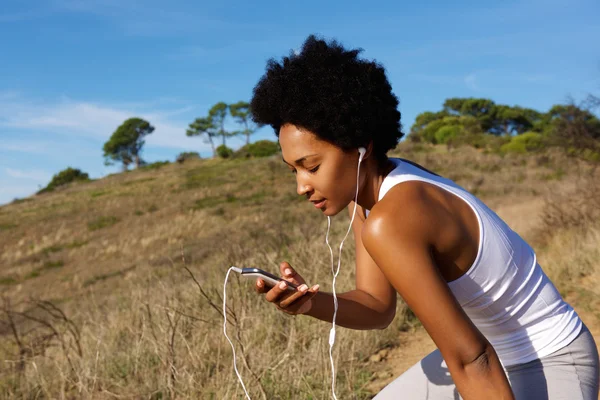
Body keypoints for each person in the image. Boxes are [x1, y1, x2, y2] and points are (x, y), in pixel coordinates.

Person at [248, 34, 600, 399]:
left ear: (361, 147)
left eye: (312, 166)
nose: (302, 186)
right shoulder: (371, 194)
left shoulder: (394, 218)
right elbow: (377, 306)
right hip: (488, 351)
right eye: (294, 171)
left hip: (549, 358)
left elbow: (471, 360)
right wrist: (308, 303)